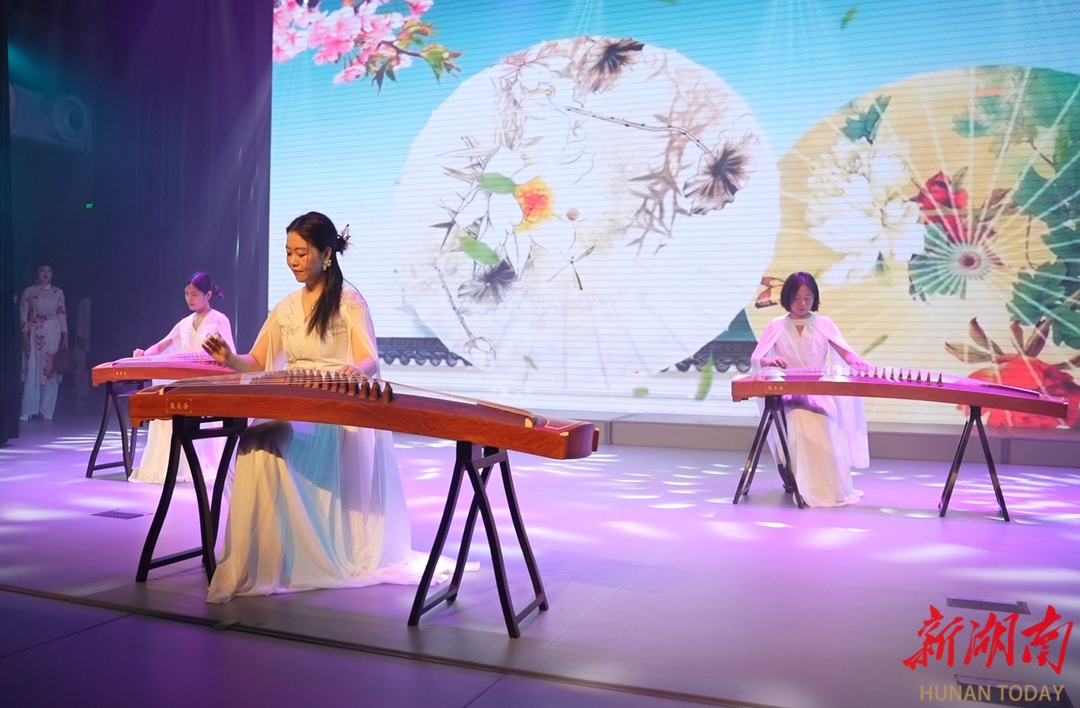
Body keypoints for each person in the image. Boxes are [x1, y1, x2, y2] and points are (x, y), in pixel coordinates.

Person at [201, 212, 421, 603]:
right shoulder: (286, 306)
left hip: (330, 410)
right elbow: (256, 360)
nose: (293, 261)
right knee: (254, 440)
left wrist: (355, 371)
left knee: (273, 441)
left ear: (326, 254)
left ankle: (296, 558)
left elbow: (368, 359)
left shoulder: (348, 301)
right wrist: (229, 359)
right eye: (288, 253)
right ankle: (266, 559)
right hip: (294, 402)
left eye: (301, 253)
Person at [750, 271, 869, 507]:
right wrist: (770, 361)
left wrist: (858, 362)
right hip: (789, 393)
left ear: (815, 298)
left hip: (819, 391)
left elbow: (845, 352)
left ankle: (832, 488)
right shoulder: (776, 326)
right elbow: (757, 358)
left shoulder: (824, 324)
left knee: (826, 423)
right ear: (786, 298)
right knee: (798, 420)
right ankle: (801, 484)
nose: (802, 303)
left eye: (808, 298)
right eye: (796, 298)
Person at [129, 273, 235, 484]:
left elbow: (229, 355)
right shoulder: (185, 323)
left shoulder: (218, 320)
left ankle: (193, 461)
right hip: (186, 379)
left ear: (208, 295)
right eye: (186, 294)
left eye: (194, 294)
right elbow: (163, 345)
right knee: (165, 398)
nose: (189, 298)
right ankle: (169, 464)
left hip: (209, 381)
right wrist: (143, 355)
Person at [20, 263, 68, 421]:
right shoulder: (29, 292)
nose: (45, 273)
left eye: (49, 270)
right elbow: (23, 314)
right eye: (42, 270)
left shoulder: (58, 292)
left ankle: (47, 410)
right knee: (33, 369)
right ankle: (28, 409)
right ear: (37, 272)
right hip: (35, 333)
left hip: (53, 332)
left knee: (50, 370)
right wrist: (24, 335)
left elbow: (62, 314)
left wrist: (65, 336)